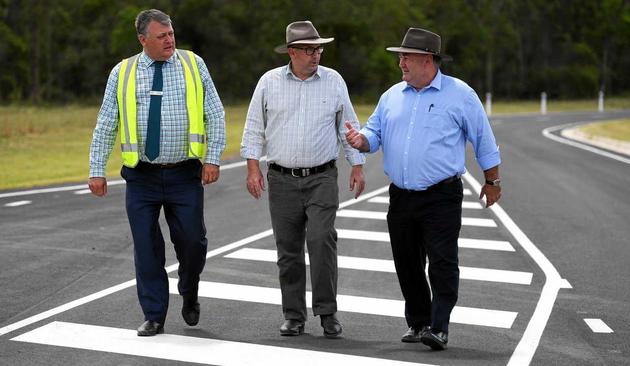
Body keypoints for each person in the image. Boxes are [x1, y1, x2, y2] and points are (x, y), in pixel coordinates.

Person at [345, 27, 502, 350]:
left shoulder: (461, 95)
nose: (400, 63)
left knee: (443, 261)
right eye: (400, 57)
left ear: (428, 60)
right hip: (401, 196)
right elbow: (373, 132)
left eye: (406, 57)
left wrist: (492, 181)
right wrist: (361, 140)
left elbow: (483, 140)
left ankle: (439, 326)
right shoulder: (391, 96)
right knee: (407, 262)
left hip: (441, 195)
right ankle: (418, 322)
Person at [88, 9, 226, 336]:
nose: (170, 40)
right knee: (146, 249)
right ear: (143, 40)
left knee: (193, 243)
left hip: (184, 174)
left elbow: (215, 114)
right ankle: (154, 315)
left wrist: (213, 158)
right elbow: (107, 124)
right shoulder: (122, 72)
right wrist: (96, 169)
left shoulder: (194, 65)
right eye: (161, 36)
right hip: (141, 177)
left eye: (171, 33)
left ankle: (189, 289)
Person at [240, 20, 366, 339]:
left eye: (319, 49)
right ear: (293, 52)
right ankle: (293, 315)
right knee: (288, 249)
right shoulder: (269, 82)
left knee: (321, 240)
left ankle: (327, 312)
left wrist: (357, 165)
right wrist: (252, 168)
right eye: (309, 49)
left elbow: (347, 126)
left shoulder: (334, 81)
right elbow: (254, 128)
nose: (316, 55)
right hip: (281, 179)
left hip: (322, 176)